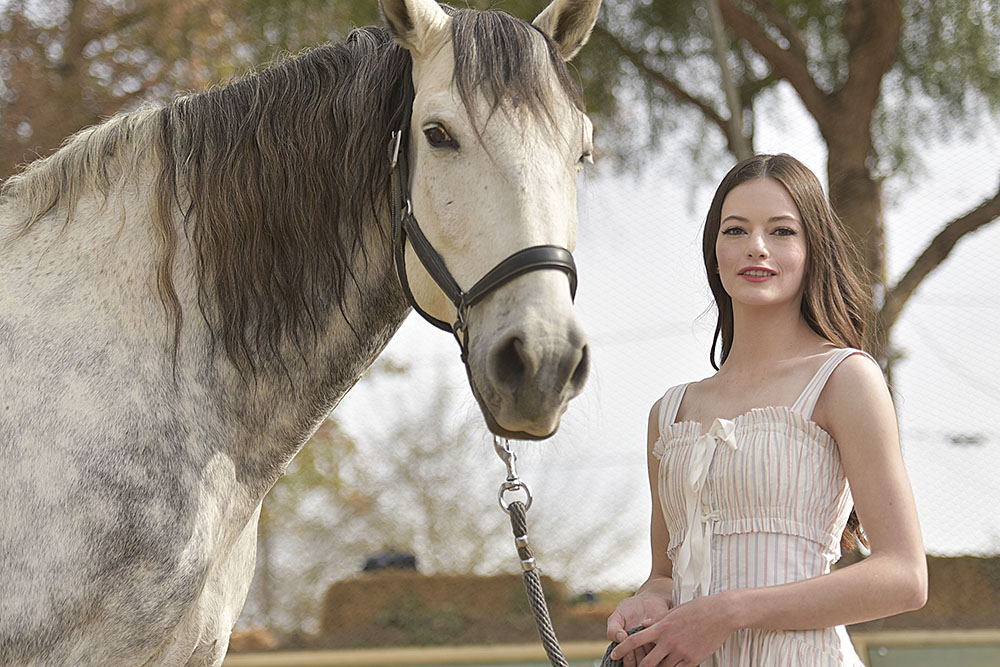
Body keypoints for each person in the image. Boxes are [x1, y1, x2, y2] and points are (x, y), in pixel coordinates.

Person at [606, 154, 927, 667]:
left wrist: (730, 612)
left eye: (782, 231)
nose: (757, 247)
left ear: (811, 250)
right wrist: (650, 598)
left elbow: (904, 578)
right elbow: (666, 573)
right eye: (736, 230)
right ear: (715, 253)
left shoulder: (845, 379)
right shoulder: (668, 414)